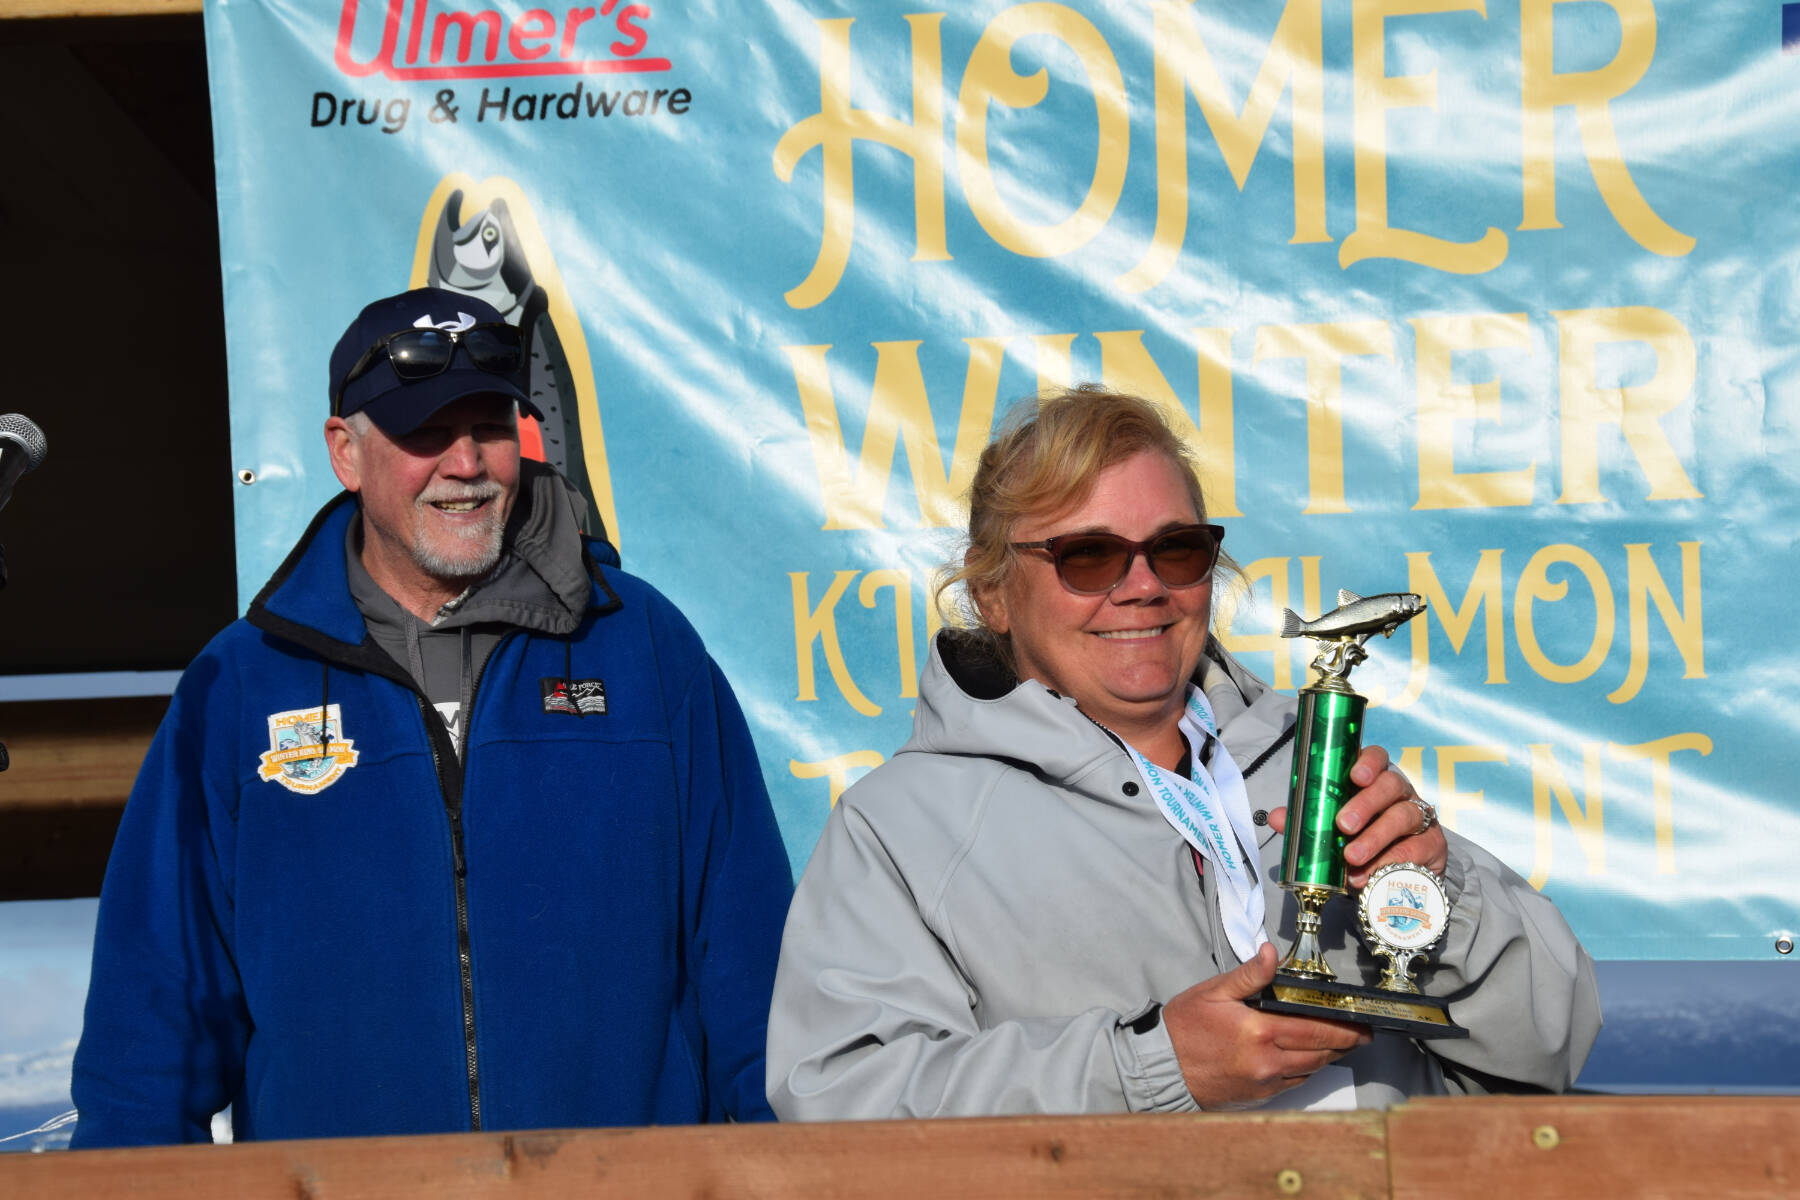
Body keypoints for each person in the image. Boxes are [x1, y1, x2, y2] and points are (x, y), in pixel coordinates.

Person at [71, 287, 793, 1146]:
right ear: (346, 452)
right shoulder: (239, 686)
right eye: (425, 432)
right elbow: (150, 1022)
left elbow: (755, 973)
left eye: (490, 425)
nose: (467, 463)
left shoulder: (643, 647)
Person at [766, 388, 1599, 1118]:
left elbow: (1556, 1043)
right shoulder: (900, 827)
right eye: (1088, 556)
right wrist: (1149, 1070)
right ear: (993, 595)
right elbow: (842, 1109)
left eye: (1176, 550)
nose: (1143, 586)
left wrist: (1437, 900)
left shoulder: (1314, 761)